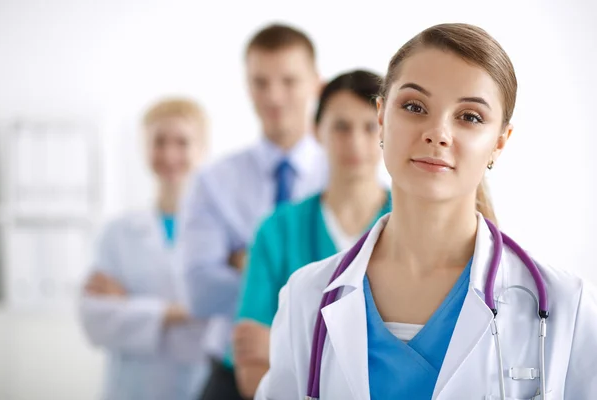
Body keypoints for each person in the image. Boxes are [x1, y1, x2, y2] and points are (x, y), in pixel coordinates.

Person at [256, 23, 597, 400]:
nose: (438, 133)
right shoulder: (308, 295)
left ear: (499, 142)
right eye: (415, 107)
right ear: (382, 118)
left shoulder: (566, 306)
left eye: (469, 116)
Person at [179, 24, 326, 400]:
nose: (274, 96)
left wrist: (248, 261)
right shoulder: (214, 181)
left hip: (321, 374)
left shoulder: (344, 175)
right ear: (247, 86)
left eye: (289, 81)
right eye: (260, 82)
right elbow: (199, 292)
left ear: (315, 85)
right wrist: (308, 278)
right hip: (230, 373)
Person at [232, 70, 391, 397]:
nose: (356, 142)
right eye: (341, 127)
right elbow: (251, 370)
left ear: (387, 132)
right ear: (316, 131)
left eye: (369, 127)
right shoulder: (277, 230)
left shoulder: (413, 223)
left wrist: (287, 348)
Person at [79, 98, 210, 400]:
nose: (169, 153)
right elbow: (94, 321)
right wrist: (179, 313)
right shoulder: (118, 233)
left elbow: (225, 316)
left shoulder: (222, 233)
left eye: (182, 142)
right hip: (131, 387)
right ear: (144, 148)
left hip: (201, 384)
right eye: (159, 141)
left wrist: (134, 308)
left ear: (202, 149)